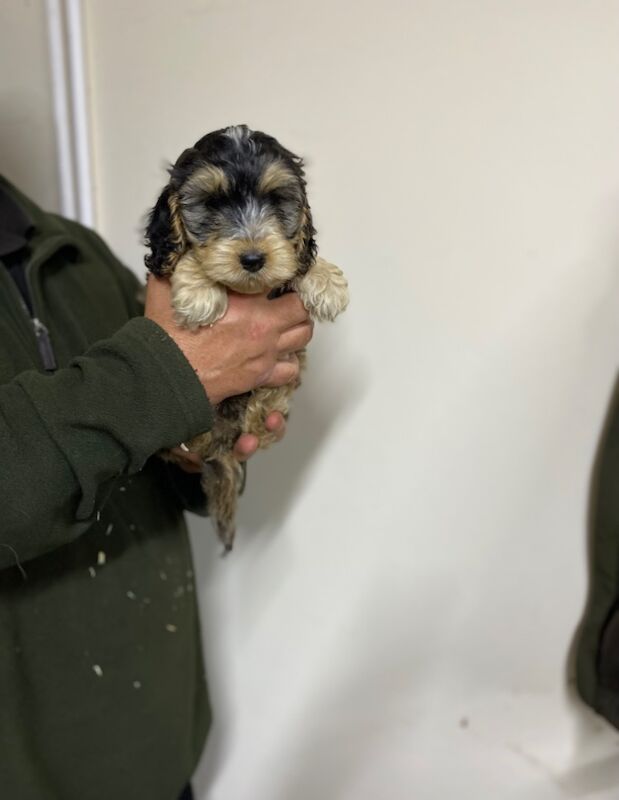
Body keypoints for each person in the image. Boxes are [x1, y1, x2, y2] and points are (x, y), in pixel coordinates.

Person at [0, 174, 313, 800]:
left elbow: (170, 439)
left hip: (165, 759)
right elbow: (161, 381)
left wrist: (199, 447)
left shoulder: (76, 251)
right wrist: (167, 377)